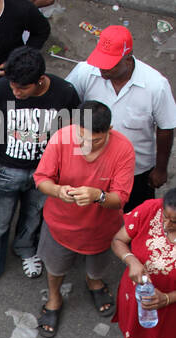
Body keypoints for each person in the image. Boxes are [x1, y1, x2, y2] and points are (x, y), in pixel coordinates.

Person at [0, 46, 78, 296]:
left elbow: (70, 135)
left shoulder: (65, 93)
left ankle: (25, 249)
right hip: (4, 170)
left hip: (46, 173)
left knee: (34, 216)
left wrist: (63, 172)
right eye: (12, 85)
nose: (16, 92)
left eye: (22, 88)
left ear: (40, 80)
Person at [34, 101, 135, 338]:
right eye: (81, 137)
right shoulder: (61, 138)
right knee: (55, 267)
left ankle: (94, 283)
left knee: (98, 266)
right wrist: (58, 191)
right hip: (59, 225)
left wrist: (97, 196)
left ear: (109, 129)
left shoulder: (124, 149)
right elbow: (41, 179)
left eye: (95, 140)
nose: (85, 145)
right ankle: (54, 297)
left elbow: (120, 198)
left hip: (102, 228)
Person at [68, 26, 176, 215]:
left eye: (110, 64)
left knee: (134, 218)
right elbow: (66, 102)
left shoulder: (156, 86)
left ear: (128, 58)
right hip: (90, 165)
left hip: (137, 171)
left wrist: (160, 169)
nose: (102, 68)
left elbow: (166, 128)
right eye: (100, 61)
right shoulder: (85, 72)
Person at [109, 186, 176, 338]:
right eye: (166, 217)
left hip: (172, 306)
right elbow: (118, 241)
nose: (166, 224)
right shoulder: (150, 209)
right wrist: (131, 260)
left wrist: (166, 298)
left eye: (175, 222)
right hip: (137, 294)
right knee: (135, 331)